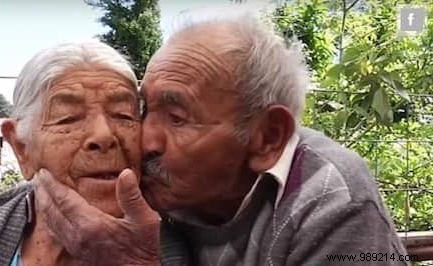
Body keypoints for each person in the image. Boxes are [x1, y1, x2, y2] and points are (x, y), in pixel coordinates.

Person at [31, 7, 410, 266]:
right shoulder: (160, 182)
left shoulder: (334, 205)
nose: (146, 140)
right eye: (145, 109)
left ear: (267, 138)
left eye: (177, 117)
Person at [0, 40, 155, 265]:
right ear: (21, 148)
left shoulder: (186, 243)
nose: (103, 136)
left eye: (124, 115)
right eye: (68, 119)